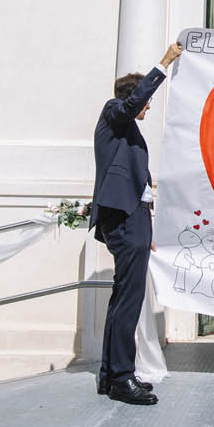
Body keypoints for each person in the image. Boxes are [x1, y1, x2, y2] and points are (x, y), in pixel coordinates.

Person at [90, 43, 182, 405]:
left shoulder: (126, 131)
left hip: (134, 221)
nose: (147, 107)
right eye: (145, 101)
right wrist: (164, 63)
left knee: (123, 299)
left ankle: (111, 374)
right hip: (124, 221)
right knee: (128, 301)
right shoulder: (114, 112)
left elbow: (137, 185)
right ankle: (122, 377)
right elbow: (131, 105)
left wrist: (148, 229)